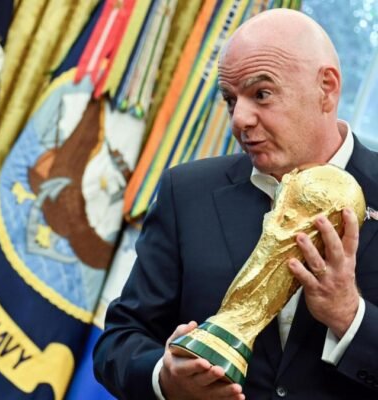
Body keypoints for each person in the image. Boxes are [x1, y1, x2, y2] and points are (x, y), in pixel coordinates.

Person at [93, 8, 378, 400]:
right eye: (230, 100)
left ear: (326, 89)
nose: (239, 119)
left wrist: (350, 317)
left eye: (261, 94)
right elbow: (119, 340)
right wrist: (165, 378)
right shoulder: (186, 191)